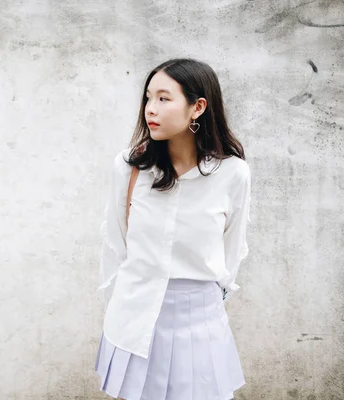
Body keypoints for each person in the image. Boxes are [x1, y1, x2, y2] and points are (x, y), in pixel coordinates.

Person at [94, 58, 251, 400]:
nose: (151, 109)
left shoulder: (233, 173)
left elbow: (231, 249)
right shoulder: (129, 167)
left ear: (198, 107)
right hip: (137, 315)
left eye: (164, 98)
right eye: (148, 98)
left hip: (200, 319)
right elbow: (117, 243)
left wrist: (210, 295)